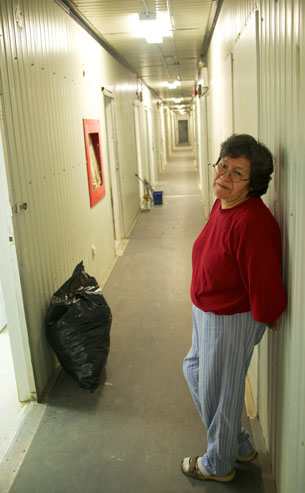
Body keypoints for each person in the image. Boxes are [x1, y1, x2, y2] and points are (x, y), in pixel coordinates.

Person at [181, 134, 287, 482]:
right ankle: (238, 444)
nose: (224, 176)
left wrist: (267, 312)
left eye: (237, 173)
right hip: (208, 309)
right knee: (196, 372)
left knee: (221, 392)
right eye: (223, 166)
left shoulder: (252, 221)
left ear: (253, 184)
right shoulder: (222, 204)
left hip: (230, 317)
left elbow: (264, 274)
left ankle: (218, 464)